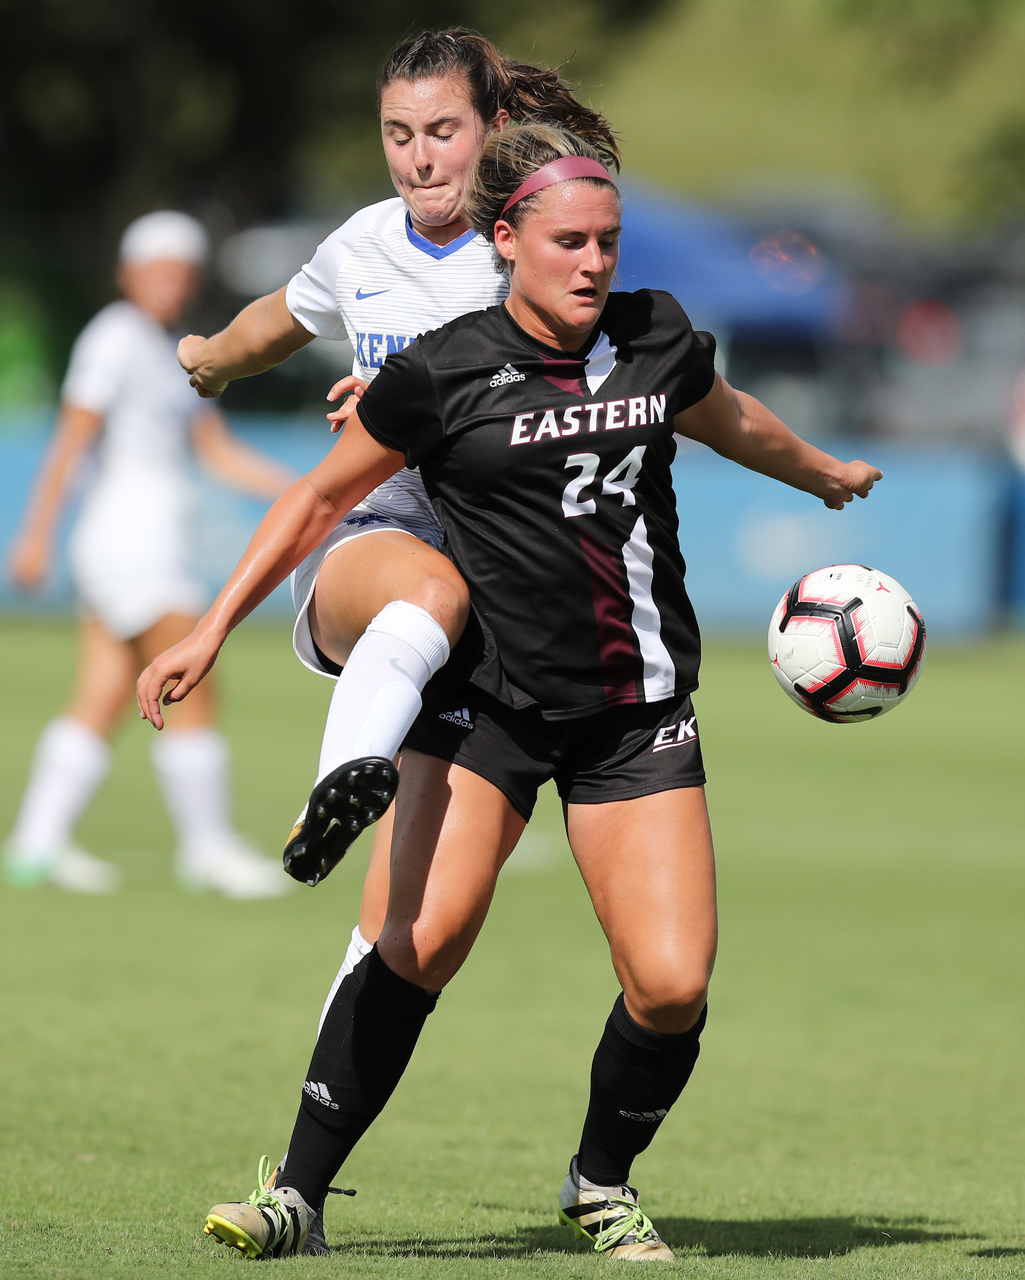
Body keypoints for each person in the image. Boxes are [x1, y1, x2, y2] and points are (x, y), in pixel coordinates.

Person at [137, 123, 883, 1260]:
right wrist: (207, 629)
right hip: (488, 708)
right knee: (414, 943)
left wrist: (821, 471)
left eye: (607, 242)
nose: (593, 263)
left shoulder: (655, 336)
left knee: (672, 984)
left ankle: (599, 1179)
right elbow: (311, 502)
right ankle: (296, 1196)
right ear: (507, 241)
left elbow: (728, 419)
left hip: (634, 716)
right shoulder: (441, 368)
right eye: (569, 242)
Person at [171, 28, 621, 1015]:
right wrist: (208, 355)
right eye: (398, 133)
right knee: (424, 589)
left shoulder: (534, 253)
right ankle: (337, 784)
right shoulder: (362, 245)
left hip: (500, 607)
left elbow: (569, 422)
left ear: (494, 130)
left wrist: (412, 401)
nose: (418, 156)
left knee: (404, 923)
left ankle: (298, 1164)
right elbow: (276, 319)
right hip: (373, 554)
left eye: (442, 130)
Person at [4, 211, 295, 898]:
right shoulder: (113, 339)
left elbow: (215, 452)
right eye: (160, 271)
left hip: (144, 542)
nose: (173, 284)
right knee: (194, 684)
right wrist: (35, 532)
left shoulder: (175, 347)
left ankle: (35, 843)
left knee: (102, 693)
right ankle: (208, 848)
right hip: (132, 543)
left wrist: (305, 492)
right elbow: (71, 440)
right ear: (129, 274)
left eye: (183, 273)